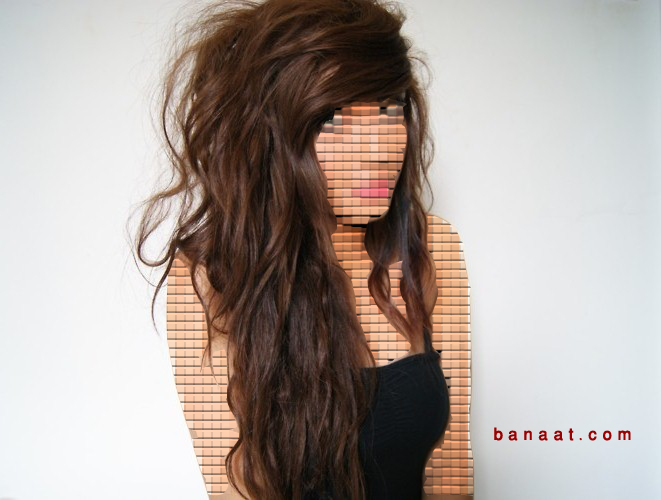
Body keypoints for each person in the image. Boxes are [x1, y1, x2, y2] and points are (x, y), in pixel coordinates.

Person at [132, 0, 451, 498]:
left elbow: (452, 465)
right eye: (334, 118)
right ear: (272, 133)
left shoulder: (430, 249)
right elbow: (234, 487)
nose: (378, 151)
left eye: (390, 109)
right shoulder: (207, 280)